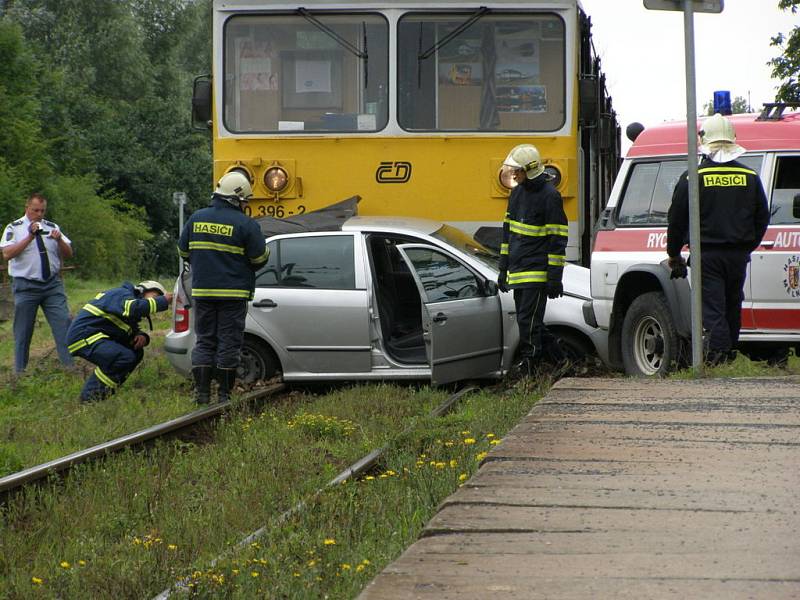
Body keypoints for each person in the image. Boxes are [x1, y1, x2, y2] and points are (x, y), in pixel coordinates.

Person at [667, 113, 770, 365]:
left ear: (705, 141)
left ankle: (718, 356)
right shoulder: (750, 176)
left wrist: (674, 253)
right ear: (732, 140)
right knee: (732, 304)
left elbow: (677, 219)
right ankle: (730, 351)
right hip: (738, 255)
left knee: (712, 308)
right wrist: (747, 245)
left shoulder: (693, 177)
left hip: (707, 255)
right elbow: (762, 217)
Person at [178, 171, 269, 404]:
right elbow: (260, 259)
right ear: (236, 198)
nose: (245, 205)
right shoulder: (245, 224)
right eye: (244, 201)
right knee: (229, 341)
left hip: (203, 292)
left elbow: (183, 252)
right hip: (233, 293)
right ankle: (224, 395)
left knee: (205, 340)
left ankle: (202, 393)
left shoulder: (196, 218)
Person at [497, 143, 568, 378]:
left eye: (517, 170)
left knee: (527, 321)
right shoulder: (516, 193)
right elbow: (508, 232)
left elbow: (557, 239)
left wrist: (554, 278)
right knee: (529, 322)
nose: (514, 174)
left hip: (536, 273)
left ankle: (530, 365)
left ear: (530, 170)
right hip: (518, 270)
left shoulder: (550, 197)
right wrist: (503, 266)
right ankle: (562, 360)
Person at [1, 193, 74, 374]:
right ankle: (19, 375)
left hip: (52, 285)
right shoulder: (15, 227)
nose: (39, 214)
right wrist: (29, 238)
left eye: (42, 210)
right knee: (23, 332)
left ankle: (71, 369)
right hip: (26, 286)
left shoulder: (52, 227)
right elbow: (7, 254)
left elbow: (68, 253)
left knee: (64, 325)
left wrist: (58, 240)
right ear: (27, 208)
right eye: (35, 210)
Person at [66, 281, 173, 402]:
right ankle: (89, 398)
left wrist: (141, 336)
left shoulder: (129, 307)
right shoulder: (121, 294)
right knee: (123, 357)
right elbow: (133, 308)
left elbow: (129, 329)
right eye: (155, 296)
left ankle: (101, 396)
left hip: (94, 335)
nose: (156, 300)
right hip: (83, 336)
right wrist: (163, 300)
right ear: (143, 290)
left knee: (135, 351)